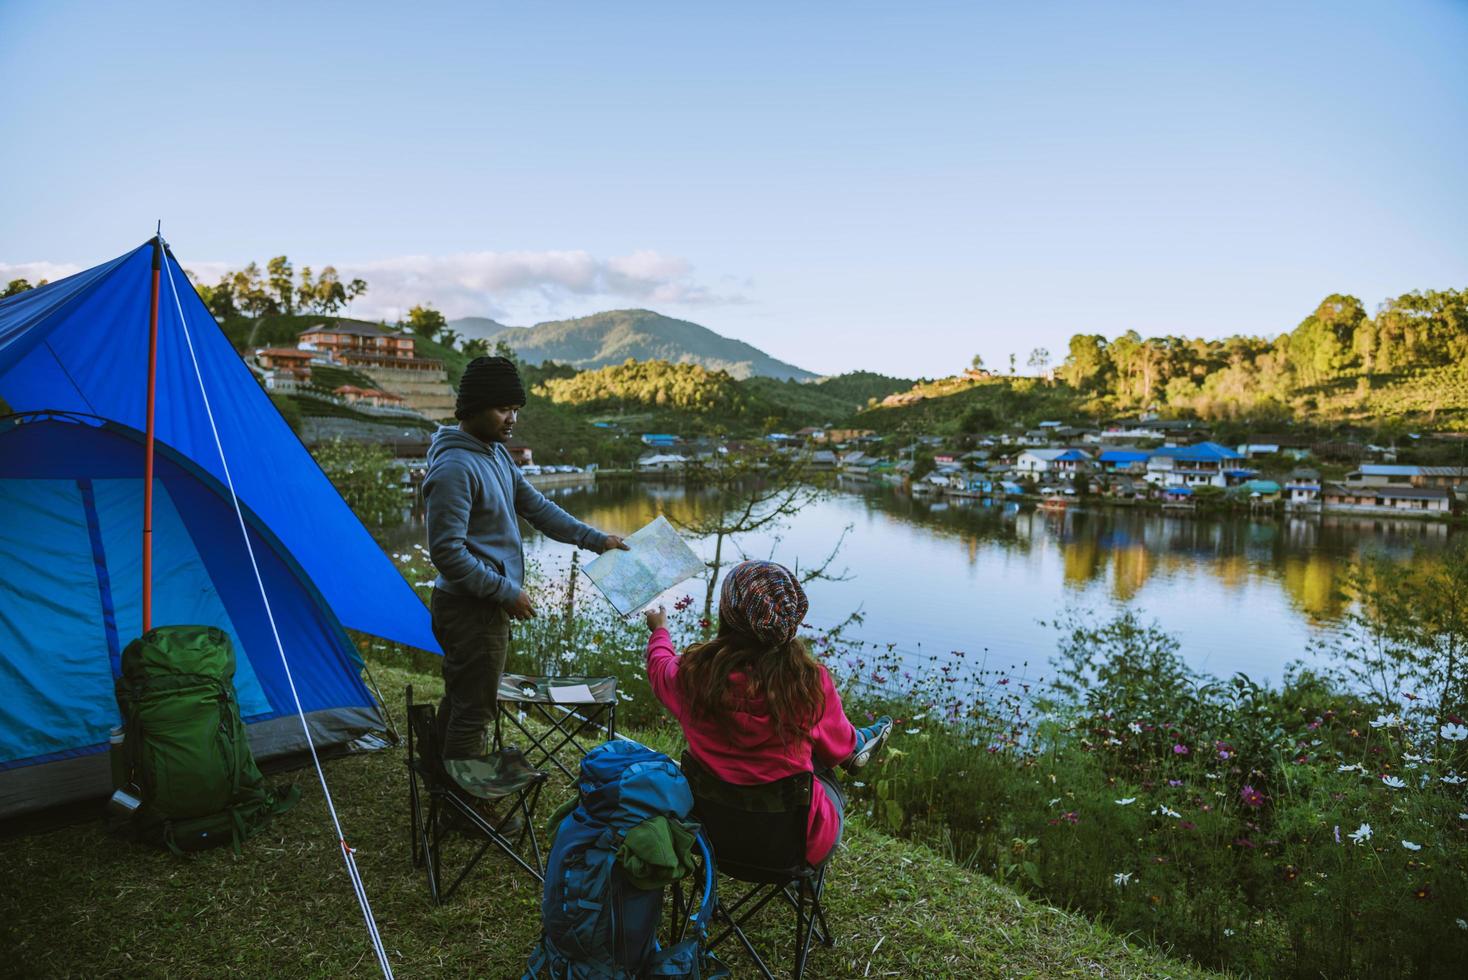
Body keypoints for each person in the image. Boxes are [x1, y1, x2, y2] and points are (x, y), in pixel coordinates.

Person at [424, 355, 628, 794]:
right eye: (503, 409)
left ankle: (443, 781)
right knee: (476, 709)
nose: (512, 418)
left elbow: (537, 507)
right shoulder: (455, 468)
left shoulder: (494, 454)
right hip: (469, 608)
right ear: (472, 408)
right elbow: (446, 553)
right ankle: (465, 801)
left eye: (516, 409)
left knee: (466, 697)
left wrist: (597, 540)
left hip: (482, 605)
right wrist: (504, 592)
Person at [643, 560, 890, 866]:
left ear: (728, 614)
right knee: (824, 757)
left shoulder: (692, 676)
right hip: (791, 846)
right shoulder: (808, 683)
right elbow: (832, 750)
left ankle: (852, 743)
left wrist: (660, 632)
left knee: (811, 748)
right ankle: (855, 743)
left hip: (709, 835)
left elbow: (659, 667)